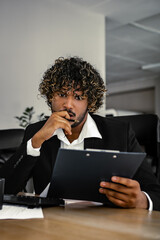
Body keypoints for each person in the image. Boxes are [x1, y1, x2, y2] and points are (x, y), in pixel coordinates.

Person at [1, 57, 160, 211]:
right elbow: (6, 189)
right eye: (62, 94)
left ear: (89, 102)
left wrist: (142, 200)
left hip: (104, 225)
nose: (68, 105)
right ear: (51, 97)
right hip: (52, 225)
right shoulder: (36, 132)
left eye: (78, 97)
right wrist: (35, 142)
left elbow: (156, 192)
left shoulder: (119, 133)